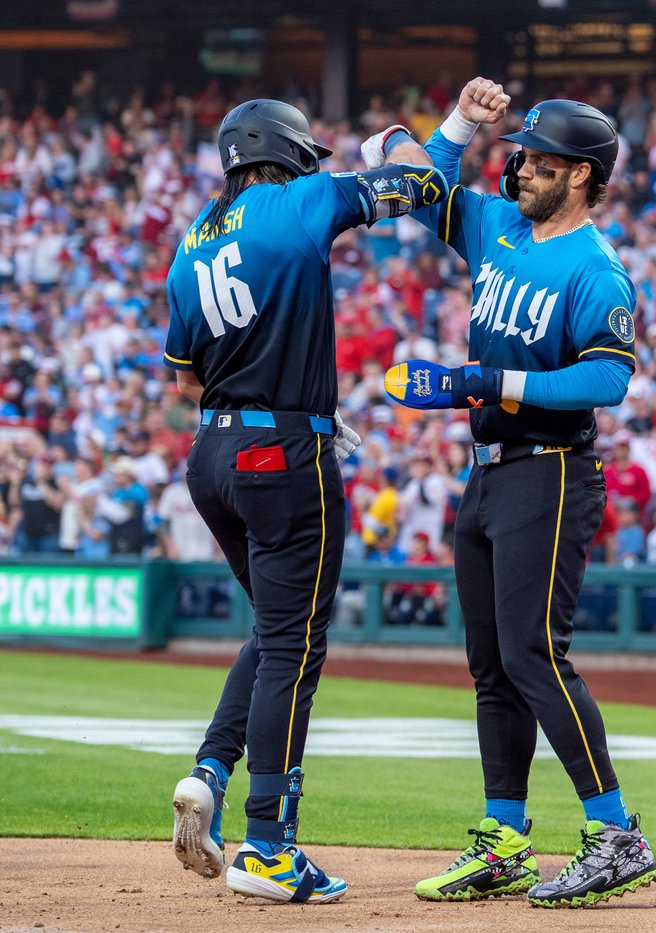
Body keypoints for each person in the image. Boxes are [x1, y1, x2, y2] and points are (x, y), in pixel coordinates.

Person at [366, 77, 656, 906]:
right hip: (489, 473)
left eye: (537, 158)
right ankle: (503, 839)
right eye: (521, 152)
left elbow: (606, 380)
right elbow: (415, 180)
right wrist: (460, 122)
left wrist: (486, 378)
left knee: (535, 654)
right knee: (492, 665)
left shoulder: (597, 270)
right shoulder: (497, 225)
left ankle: (616, 833)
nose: (519, 166)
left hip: (555, 470)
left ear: (580, 174)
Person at [164, 97, 446, 903]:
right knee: (295, 646)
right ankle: (270, 848)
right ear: (288, 153)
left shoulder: (193, 239)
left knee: (273, 628)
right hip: (283, 453)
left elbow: (186, 376)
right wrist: (426, 136)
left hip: (212, 453)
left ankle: (211, 768)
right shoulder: (300, 200)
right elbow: (421, 186)